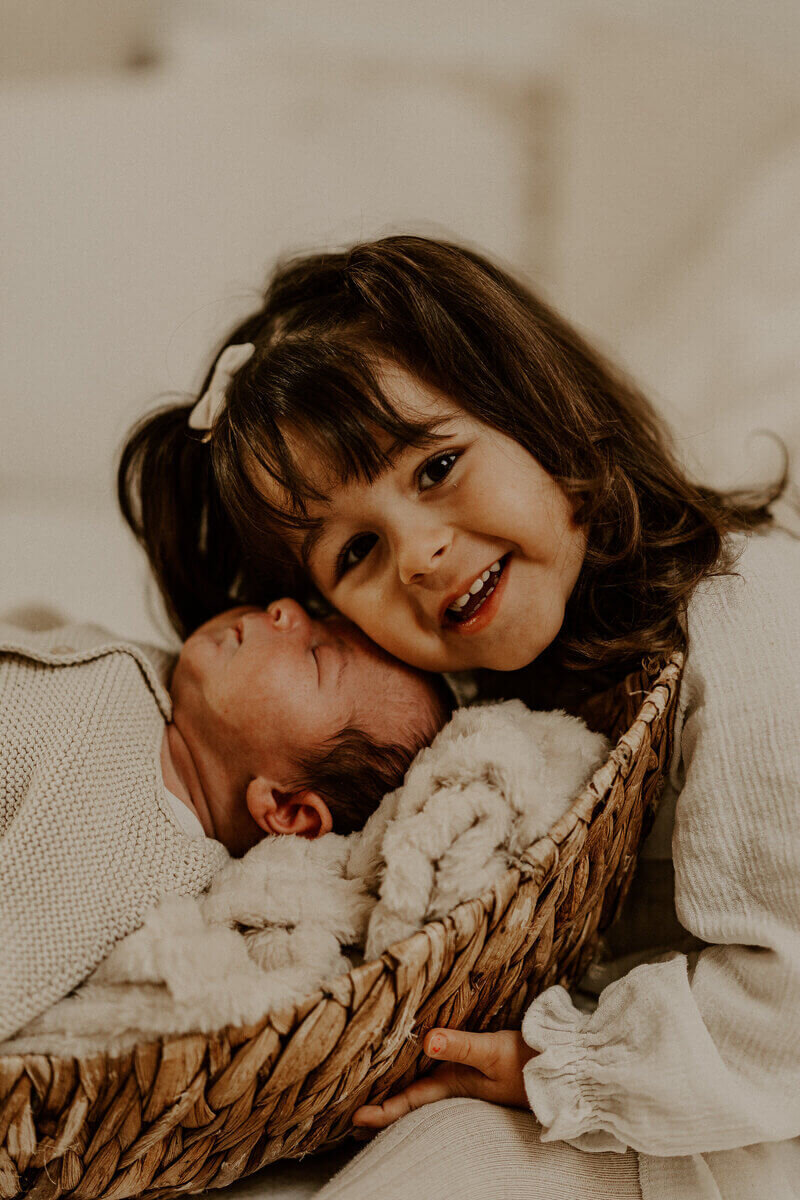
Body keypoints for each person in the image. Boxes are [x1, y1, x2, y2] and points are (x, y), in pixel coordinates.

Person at [118, 235, 799, 1199]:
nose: (421, 556)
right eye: (355, 553)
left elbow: (790, 1002)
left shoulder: (750, 619)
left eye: (435, 468)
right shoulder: (481, 713)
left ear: (545, 411)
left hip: (735, 1120)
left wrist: (558, 1065)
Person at [0, 597, 450, 1043]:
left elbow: (19, 954)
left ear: (286, 810)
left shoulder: (126, 850)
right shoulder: (157, 674)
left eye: (316, 654)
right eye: (315, 617)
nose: (285, 609)